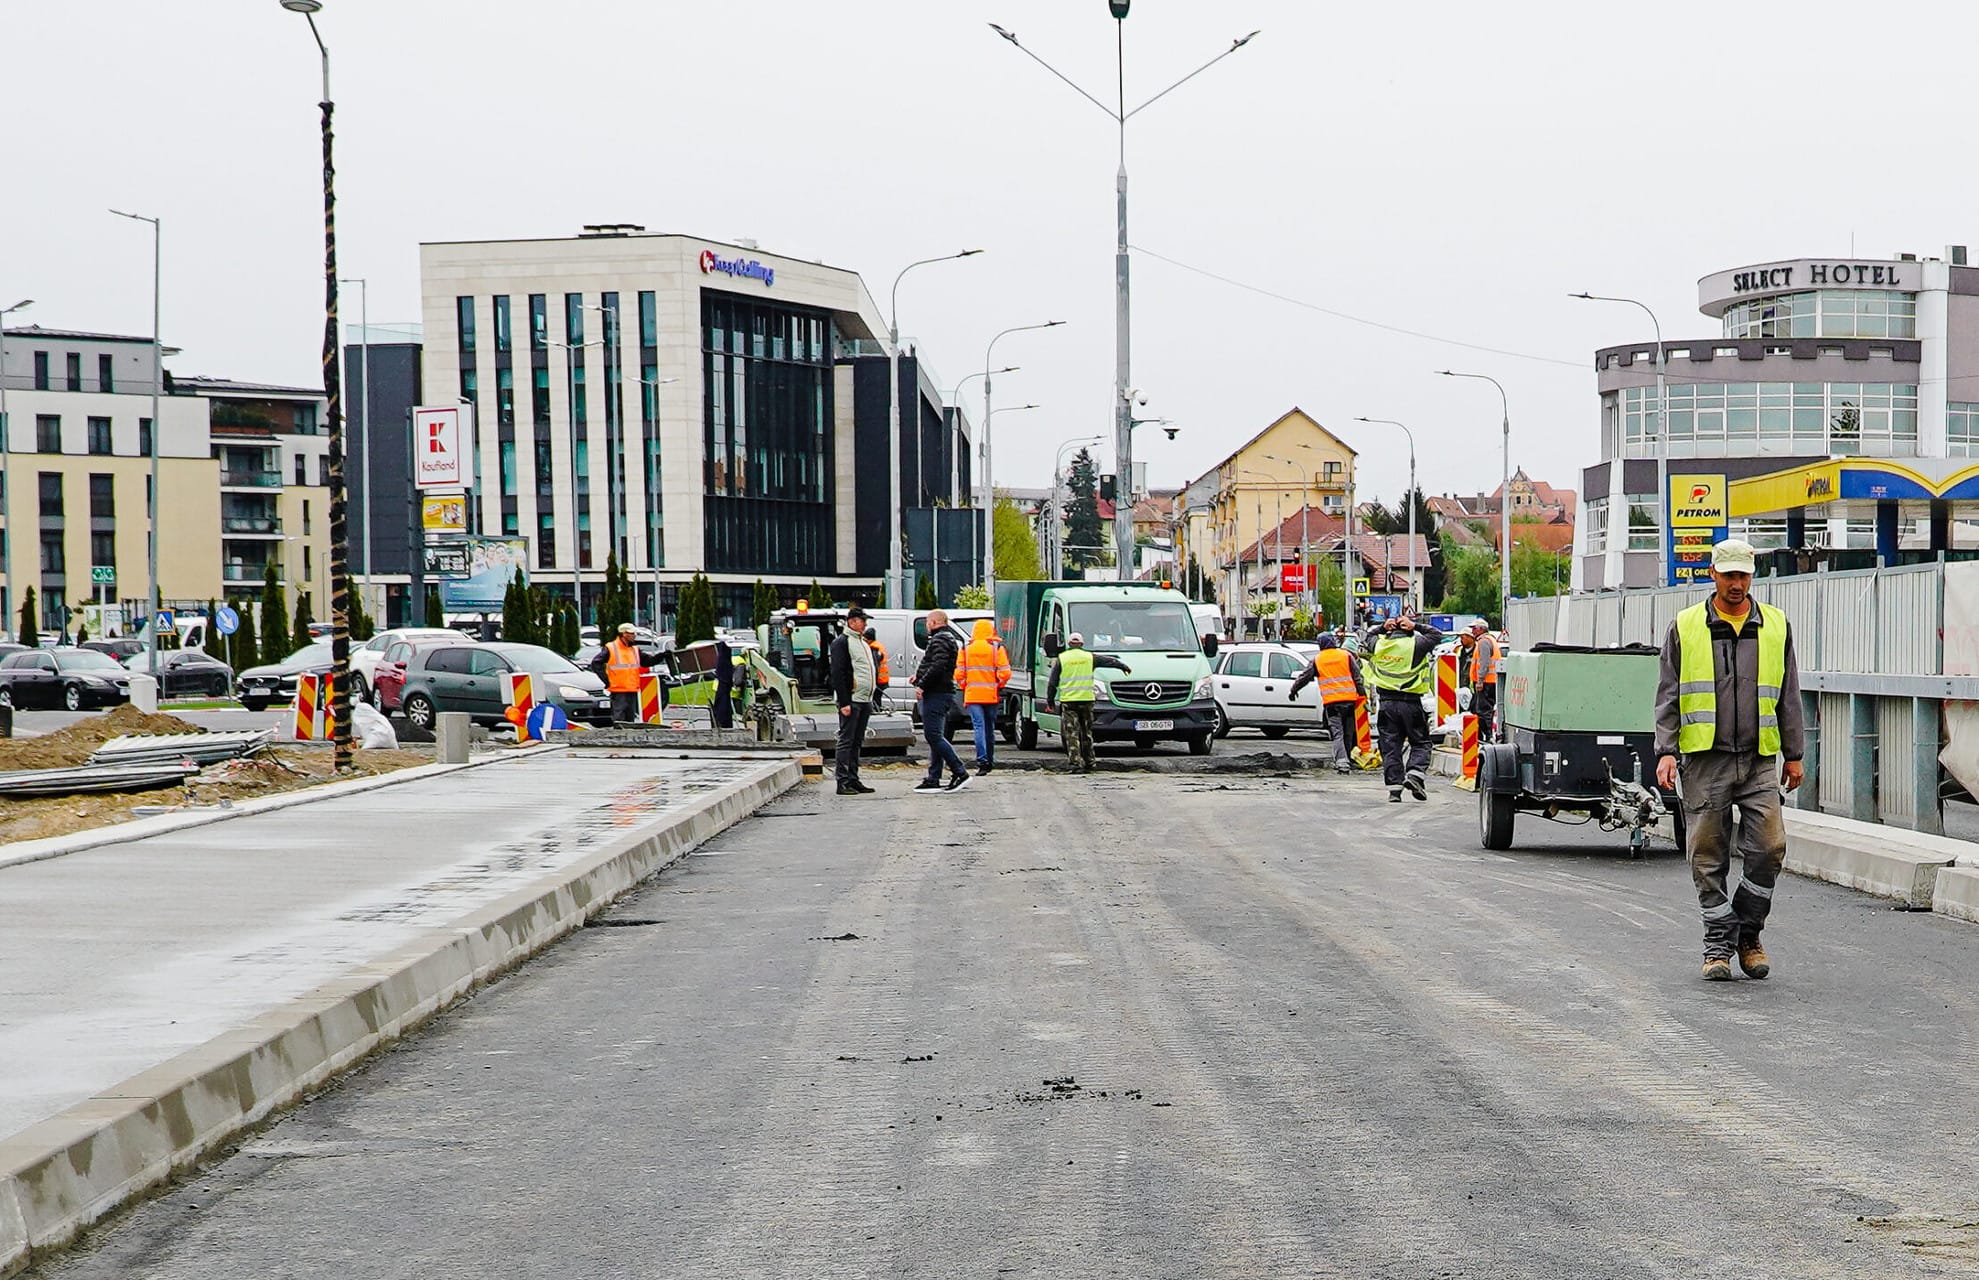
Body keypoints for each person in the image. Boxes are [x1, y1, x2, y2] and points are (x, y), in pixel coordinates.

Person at [1654, 538, 1804, 983]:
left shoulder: (1775, 625)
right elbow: (1668, 695)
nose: (1736, 584)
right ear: (1713, 574)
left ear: (1751, 575)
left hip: (1758, 759)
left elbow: (1789, 694)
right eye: (1728, 575)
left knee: (1770, 848)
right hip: (1704, 760)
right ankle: (1718, 944)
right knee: (1706, 853)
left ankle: (1748, 931)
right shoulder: (1685, 626)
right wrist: (1665, 751)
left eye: (1743, 575)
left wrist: (1793, 755)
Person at [1362, 612, 1445, 802]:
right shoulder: (1415, 645)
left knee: (1390, 746)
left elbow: (1368, 636)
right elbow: (1437, 635)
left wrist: (1383, 627)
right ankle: (1415, 775)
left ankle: (1394, 790)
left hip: (1387, 704)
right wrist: (1415, 625)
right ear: (1408, 632)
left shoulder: (1380, 645)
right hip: (1411, 703)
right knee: (1421, 742)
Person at [1046, 632, 1131, 773]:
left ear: (1069, 644)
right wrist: (1123, 667)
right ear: (1082, 644)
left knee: (1072, 733)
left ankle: (1075, 763)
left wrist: (1050, 701)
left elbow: (1052, 682)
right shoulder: (1089, 657)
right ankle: (1090, 762)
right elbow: (1109, 661)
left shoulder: (1062, 658)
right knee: (1086, 732)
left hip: (1069, 701)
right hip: (1087, 700)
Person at [909, 609, 971, 794]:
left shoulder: (940, 639)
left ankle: (959, 771)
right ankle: (933, 777)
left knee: (933, 735)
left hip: (936, 694)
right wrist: (918, 676)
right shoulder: (945, 639)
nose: (926, 625)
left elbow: (938, 666)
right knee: (937, 735)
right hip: (940, 692)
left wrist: (922, 685)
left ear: (934, 622)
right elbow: (937, 665)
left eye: (928, 622)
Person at [1287, 632, 1366, 774]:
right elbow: (1357, 677)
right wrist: (1363, 696)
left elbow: (1304, 677)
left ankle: (1342, 762)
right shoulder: (1345, 656)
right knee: (1348, 732)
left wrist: (1293, 691)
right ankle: (1347, 758)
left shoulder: (1318, 660)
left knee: (1337, 733)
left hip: (1332, 703)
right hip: (1349, 701)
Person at [828, 607, 879, 796]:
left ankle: (853, 778)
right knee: (846, 740)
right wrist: (844, 702)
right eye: (862, 620)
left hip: (864, 699)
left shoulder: (862, 642)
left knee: (857, 741)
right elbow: (838, 673)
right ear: (851, 622)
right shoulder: (842, 642)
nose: (865, 624)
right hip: (852, 699)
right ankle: (842, 781)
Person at [958, 618, 1011, 775]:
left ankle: (982, 761)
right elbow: (1005, 672)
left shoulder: (966, 649)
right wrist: (998, 684)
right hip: (991, 695)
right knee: (989, 728)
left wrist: (965, 686)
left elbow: (959, 674)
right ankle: (990, 760)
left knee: (978, 727)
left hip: (973, 695)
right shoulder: (996, 648)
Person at [589, 623, 665, 724]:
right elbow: (596, 663)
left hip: (632, 688)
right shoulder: (611, 648)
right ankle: (619, 737)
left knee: (630, 720)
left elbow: (647, 662)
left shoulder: (634, 649)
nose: (634, 635)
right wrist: (607, 680)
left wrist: (662, 656)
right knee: (619, 719)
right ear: (623, 634)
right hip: (619, 689)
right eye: (631, 633)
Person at [1460, 620, 1502, 739]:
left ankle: (1487, 736)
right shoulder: (1489, 640)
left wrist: (1480, 681)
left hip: (1487, 682)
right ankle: (1486, 735)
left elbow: (1484, 663)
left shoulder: (1484, 642)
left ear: (1481, 629)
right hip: (1490, 681)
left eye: (1474, 628)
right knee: (1484, 710)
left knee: (1484, 711)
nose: (1472, 631)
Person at [866, 627, 890, 712]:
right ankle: (877, 710)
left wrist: (873, 682)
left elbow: (875, 667)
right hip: (883, 679)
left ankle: (876, 711)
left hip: (878, 680)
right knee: (877, 698)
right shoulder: (878, 646)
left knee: (875, 699)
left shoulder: (873, 648)